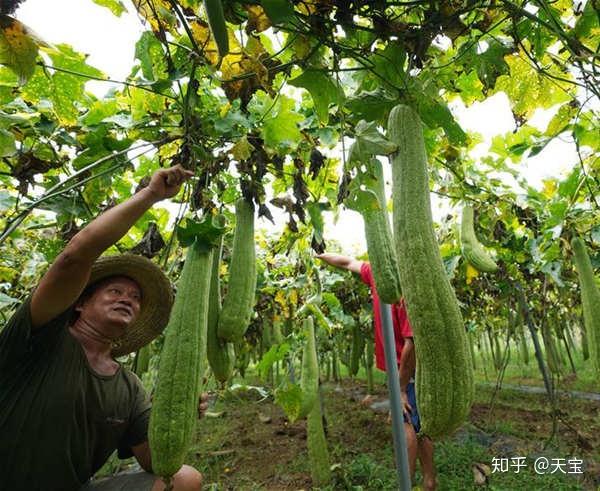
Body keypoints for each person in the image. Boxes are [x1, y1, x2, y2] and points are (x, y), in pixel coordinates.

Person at [0, 165, 207, 491]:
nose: (127, 299)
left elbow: (158, 463)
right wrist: (150, 195)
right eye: (115, 291)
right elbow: (75, 257)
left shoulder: (129, 388)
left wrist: (178, 413)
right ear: (79, 303)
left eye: (135, 297)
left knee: (185, 480)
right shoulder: (40, 337)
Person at [316, 253, 436, 491]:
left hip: (407, 370)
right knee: (419, 426)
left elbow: (411, 345)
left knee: (406, 425)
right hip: (401, 371)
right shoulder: (375, 273)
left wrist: (400, 388)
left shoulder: (405, 290)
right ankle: (430, 481)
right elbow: (348, 262)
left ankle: (407, 485)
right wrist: (319, 254)